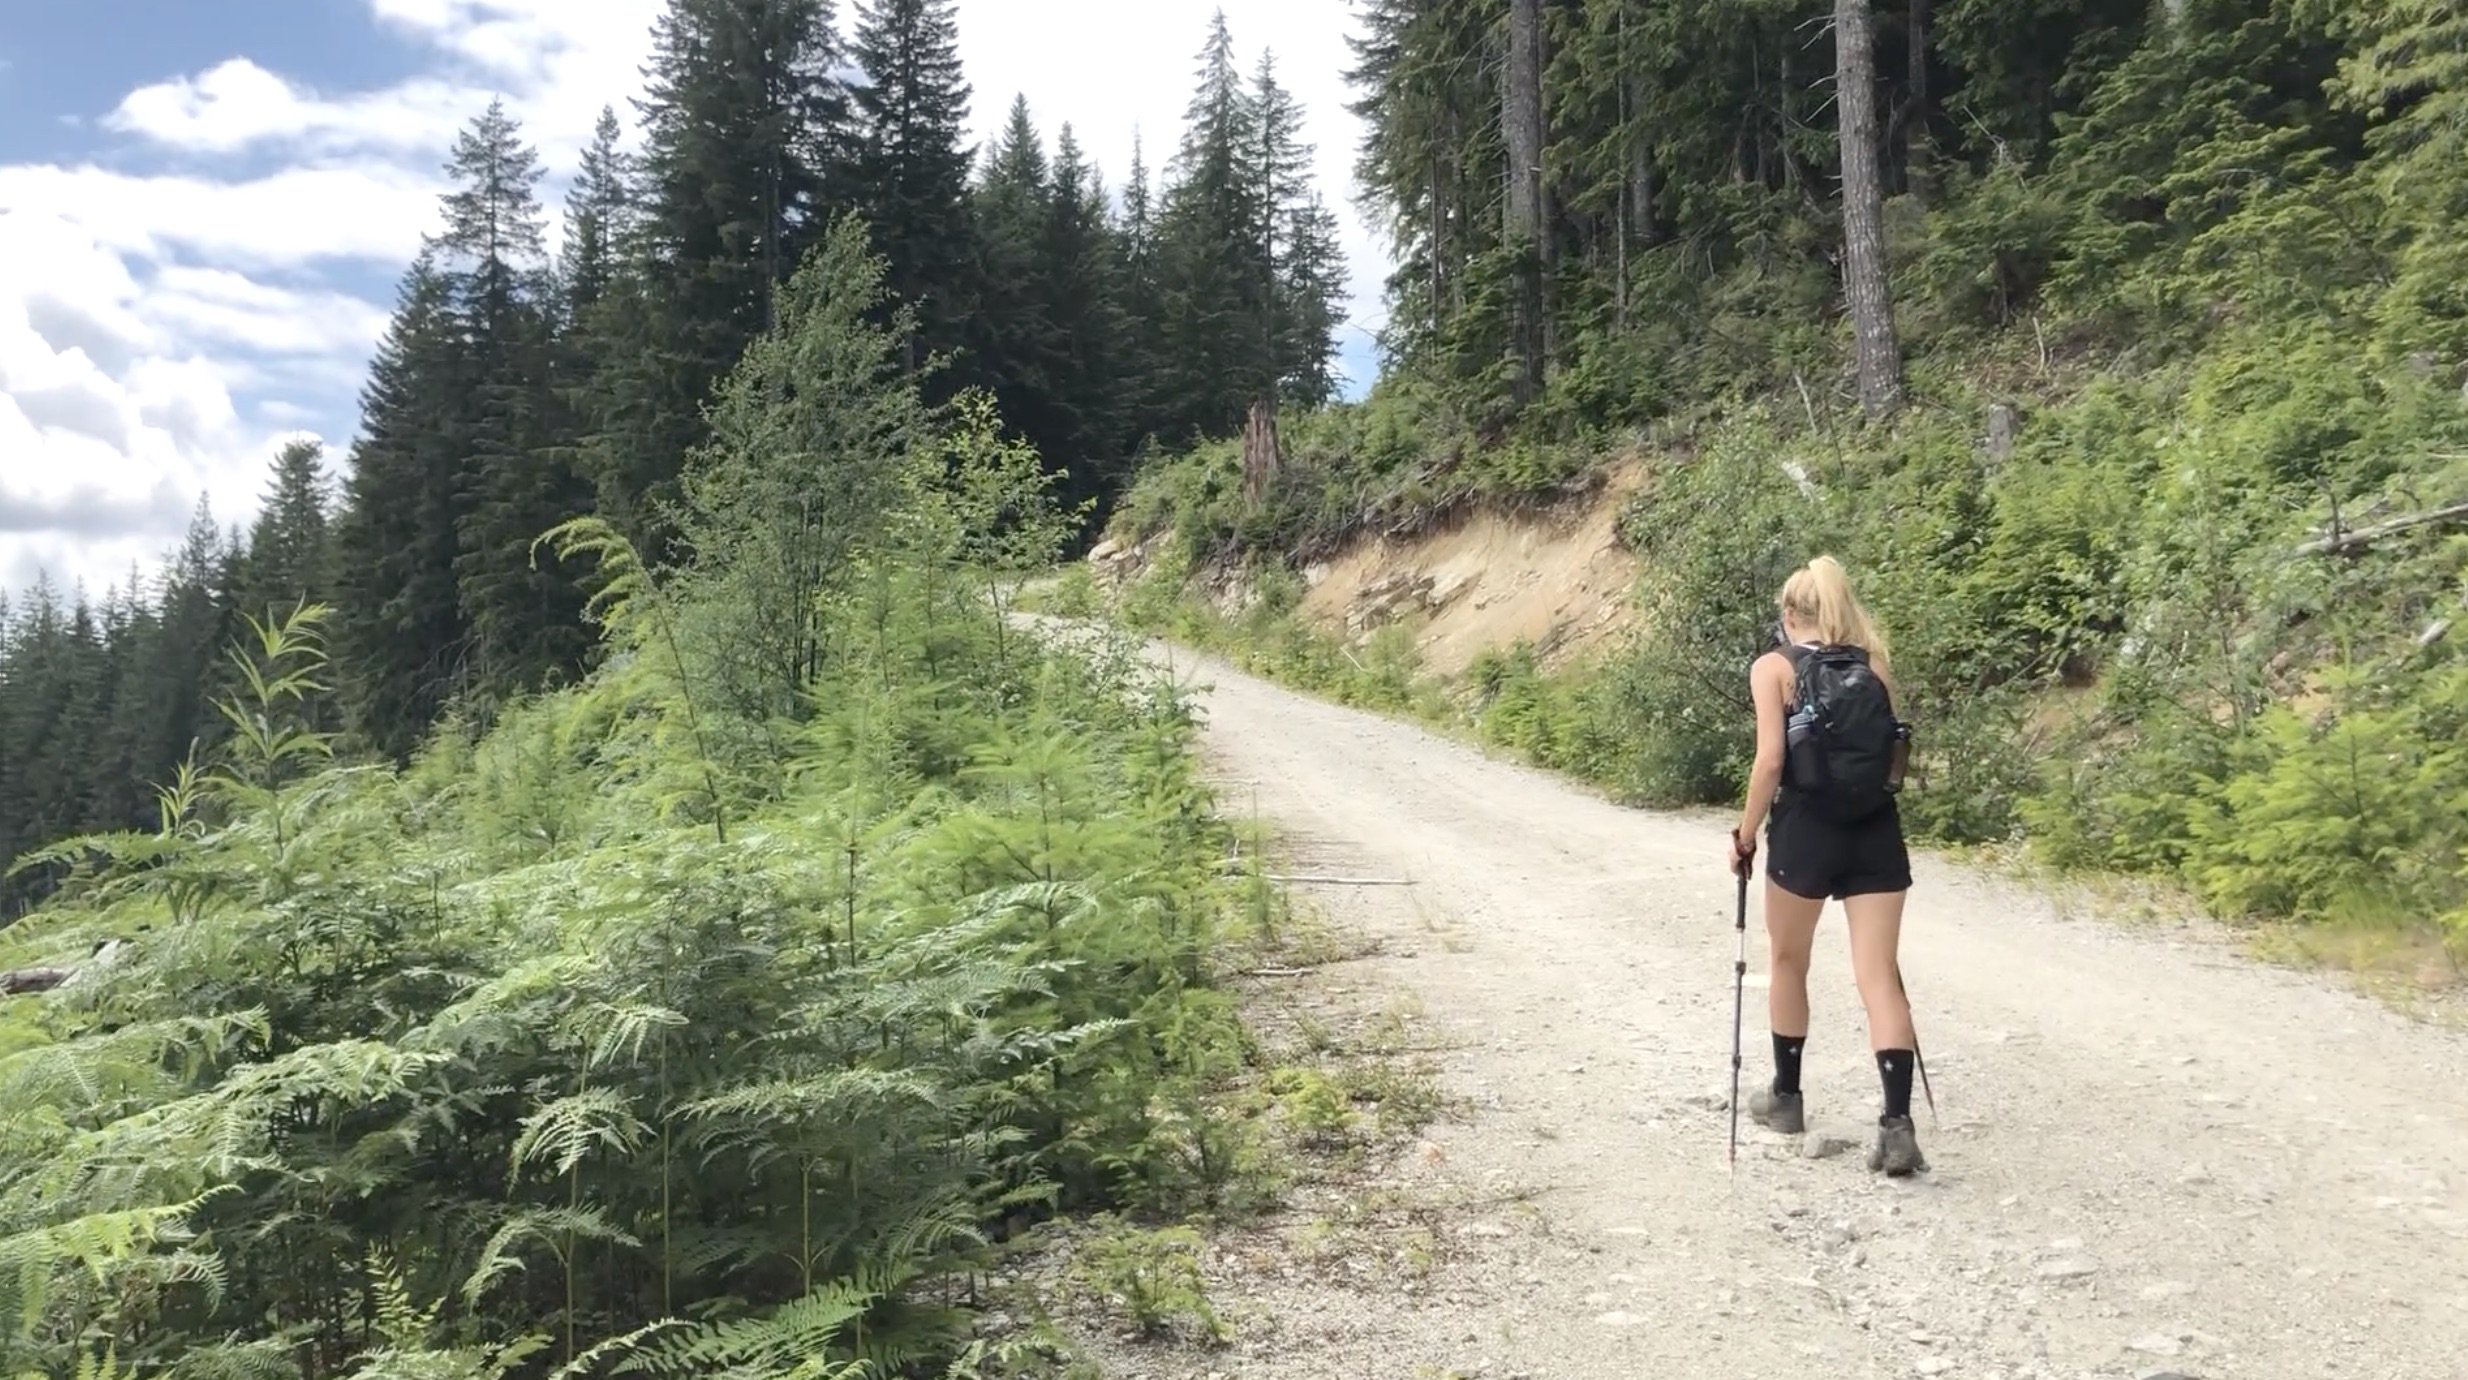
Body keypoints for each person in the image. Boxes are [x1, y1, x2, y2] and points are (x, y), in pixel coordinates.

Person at [1724, 555, 1926, 1177]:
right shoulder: (1876, 667)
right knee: (1879, 978)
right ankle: (1897, 1127)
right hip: (1875, 832)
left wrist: (1746, 834)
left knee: (1788, 960)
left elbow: (1769, 762)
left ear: (1789, 615)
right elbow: (1894, 756)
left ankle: (1787, 1098)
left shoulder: (1774, 667)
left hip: (1807, 833)